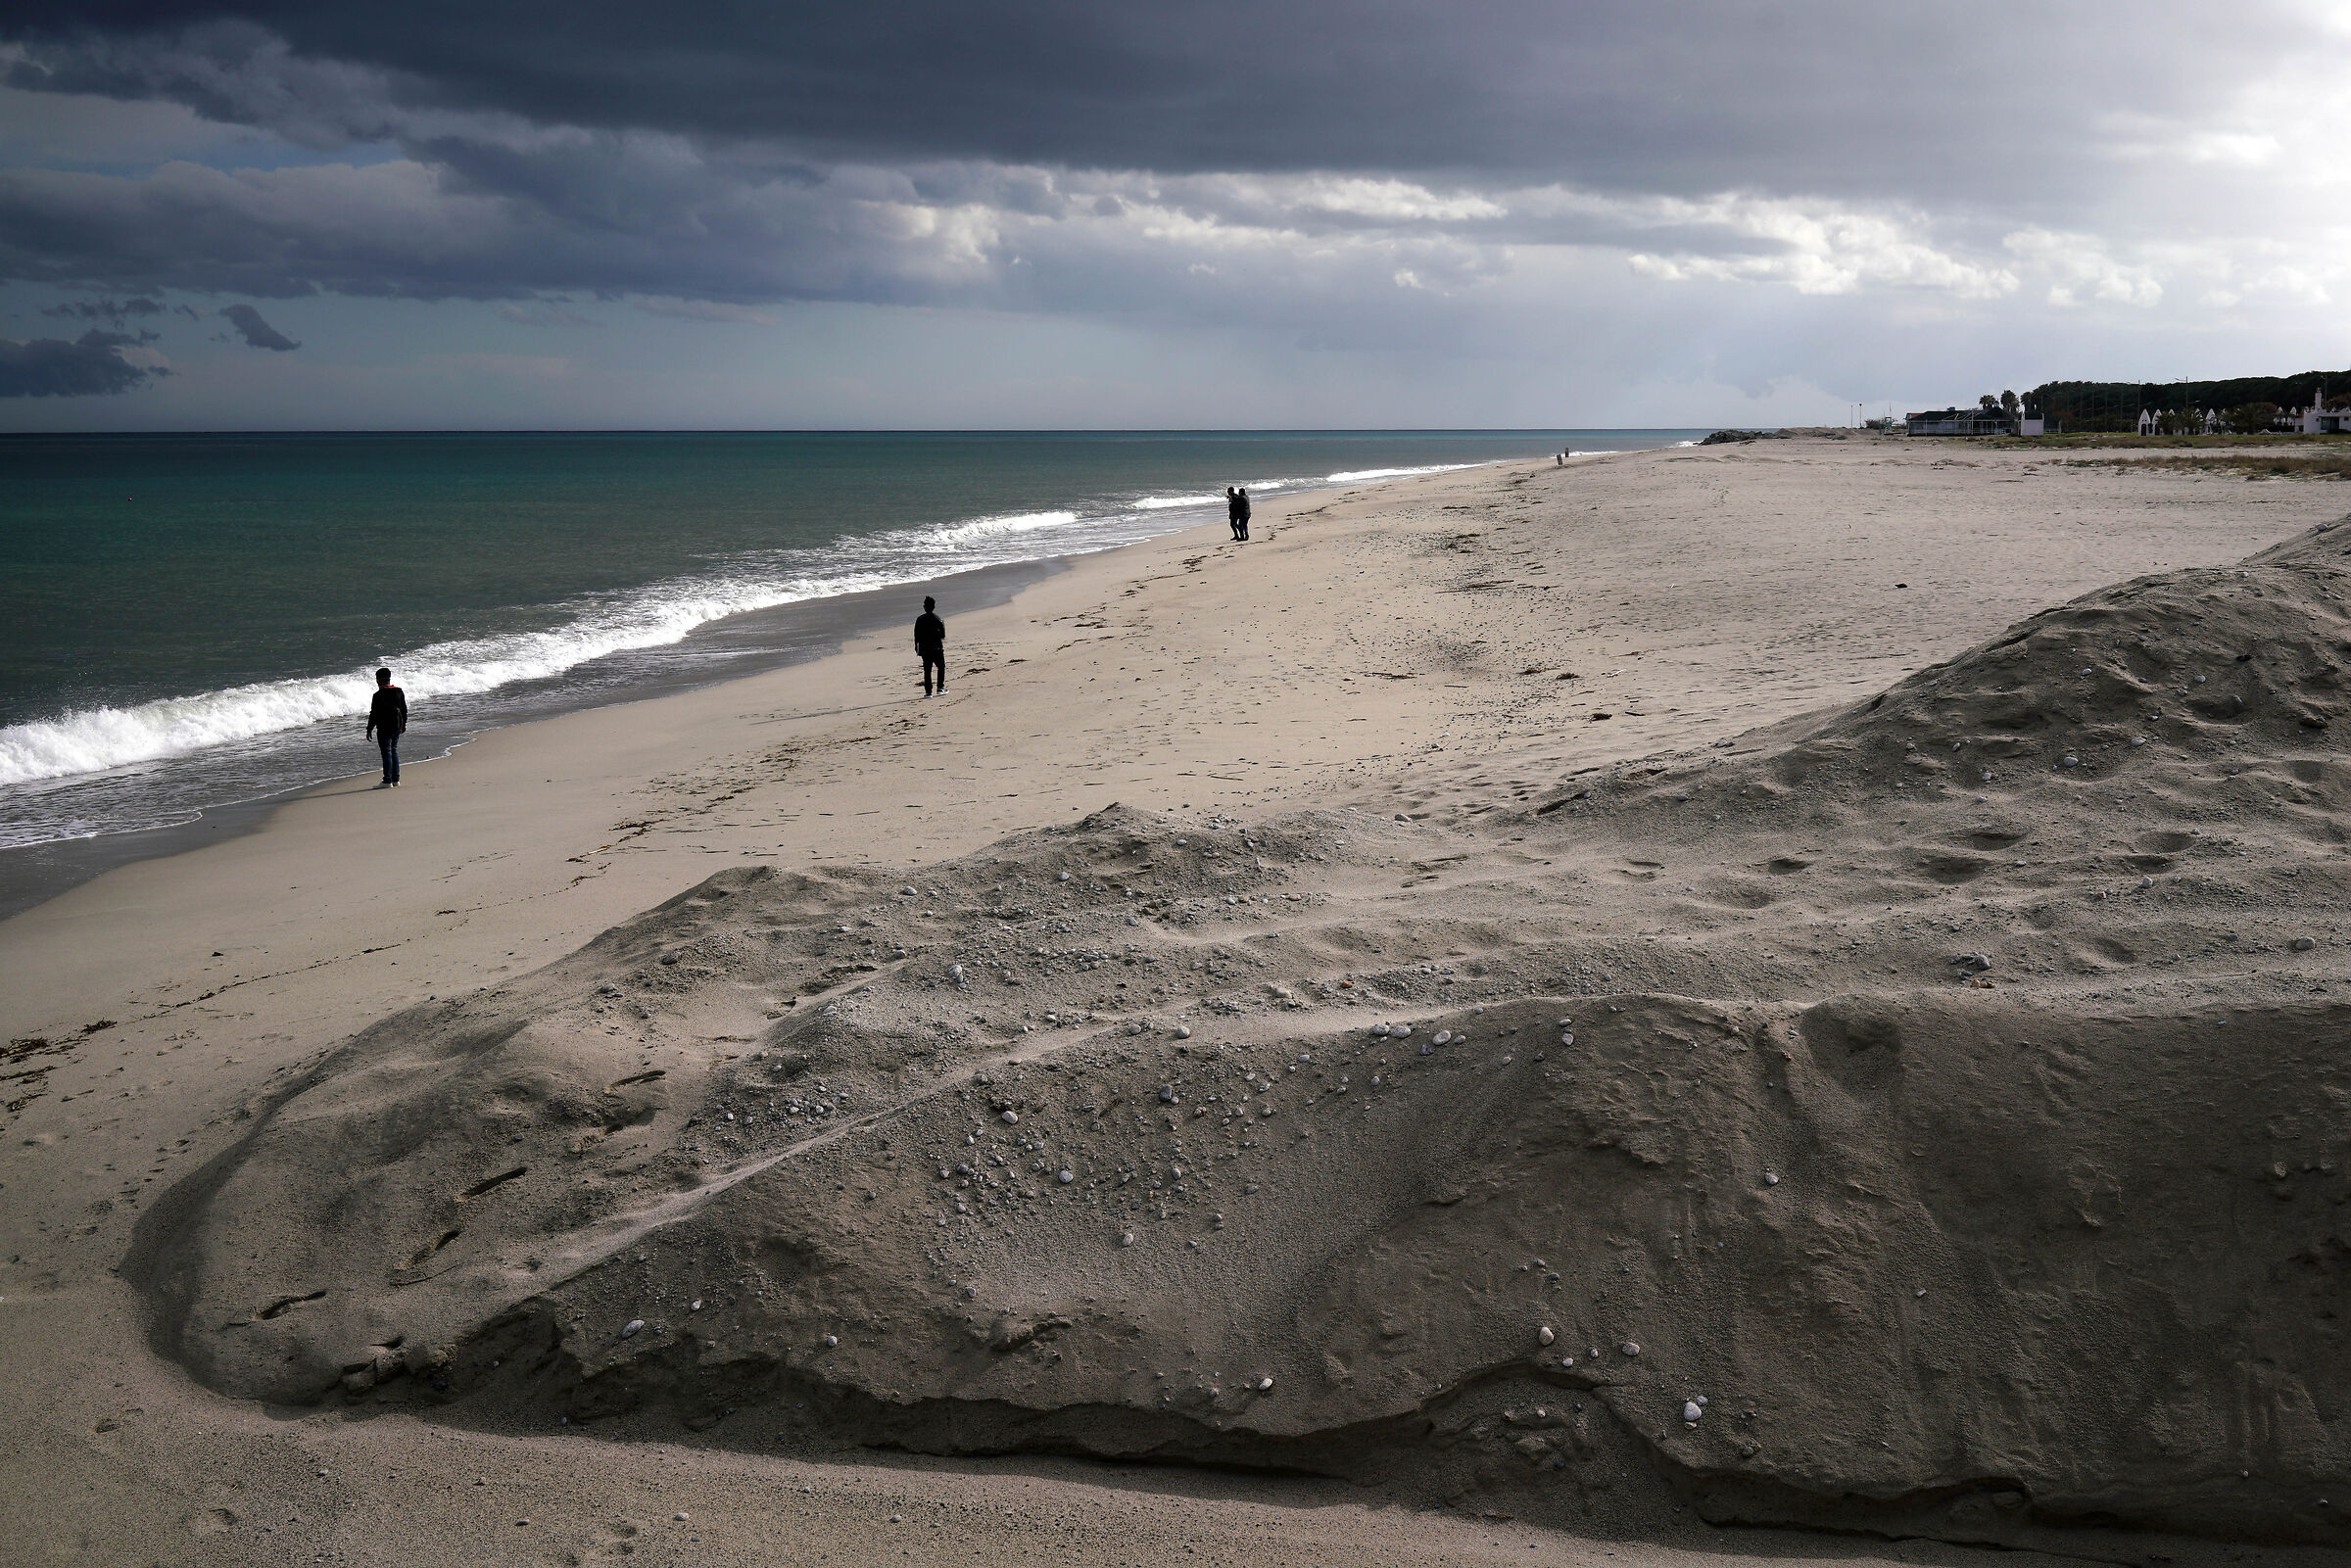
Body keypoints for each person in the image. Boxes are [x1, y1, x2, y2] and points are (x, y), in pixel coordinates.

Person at [365, 666, 408, 787]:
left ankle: (387, 780)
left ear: (379, 680)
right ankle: (396, 779)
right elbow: (404, 709)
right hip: (397, 725)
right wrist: (404, 723)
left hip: (384, 727)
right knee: (393, 751)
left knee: (386, 752)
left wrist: (369, 729)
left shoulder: (378, 695)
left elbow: (374, 714)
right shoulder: (399, 691)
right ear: (389, 678)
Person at [914, 595, 947, 696]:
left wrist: (917, 648)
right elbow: (943, 635)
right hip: (937, 647)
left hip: (925, 648)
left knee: (927, 669)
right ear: (933, 607)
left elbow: (916, 636)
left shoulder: (919, 619)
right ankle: (940, 688)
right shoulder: (938, 619)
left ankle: (928, 692)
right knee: (941, 667)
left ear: (924, 607)